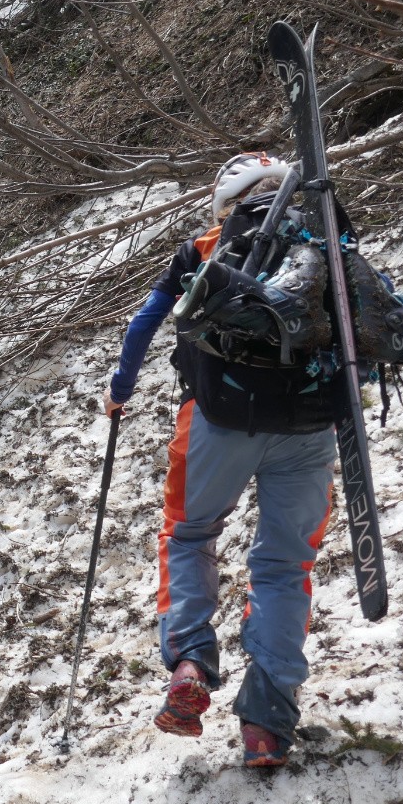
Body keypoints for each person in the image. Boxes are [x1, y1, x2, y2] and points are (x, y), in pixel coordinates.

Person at [105, 152, 337, 769]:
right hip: (311, 424)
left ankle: (190, 663)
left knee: (189, 537)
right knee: (287, 564)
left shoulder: (203, 249)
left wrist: (119, 390)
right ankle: (267, 721)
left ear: (225, 204)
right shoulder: (326, 245)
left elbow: (142, 326)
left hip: (214, 422)